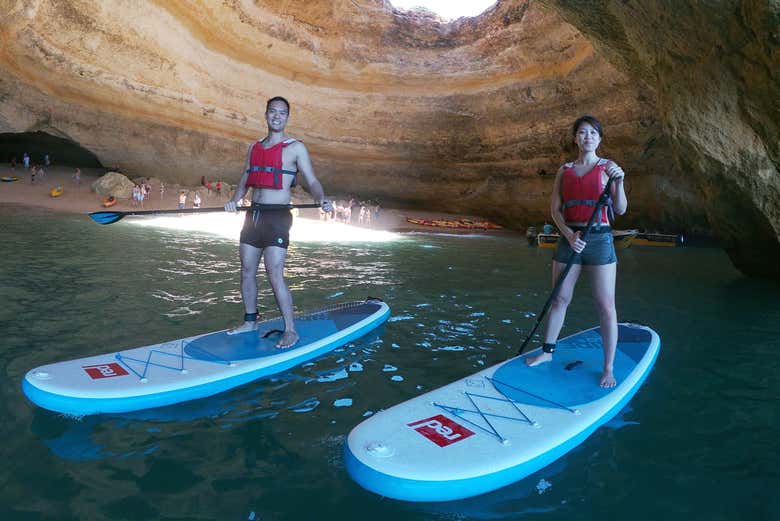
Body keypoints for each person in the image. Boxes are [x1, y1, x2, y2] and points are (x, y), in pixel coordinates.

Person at [524, 115, 627, 388]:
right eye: (582, 133)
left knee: (605, 305)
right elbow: (555, 210)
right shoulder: (564, 170)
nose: (587, 137)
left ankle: (608, 368)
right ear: (575, 139)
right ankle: (547, 352)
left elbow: (620, 209)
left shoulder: (609, 168)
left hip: (600, 239)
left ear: (600, 138)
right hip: (570, 239)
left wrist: (621, 181)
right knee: (559, 299)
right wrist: (569, 236)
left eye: (593, 133)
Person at [224, 96, 332, 348]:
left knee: (274, 272)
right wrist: (234, 200)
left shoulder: (295, 148)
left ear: (287, 117)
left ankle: (291, 329)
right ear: (266, 114)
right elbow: (245, 180)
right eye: (272, 112)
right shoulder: (254, 148)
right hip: (254, 215)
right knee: (247, 270)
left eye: (282, 113)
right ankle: (250, 321)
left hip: (278, 216)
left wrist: (322, 198)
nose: (277, 116)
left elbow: (312, 180)